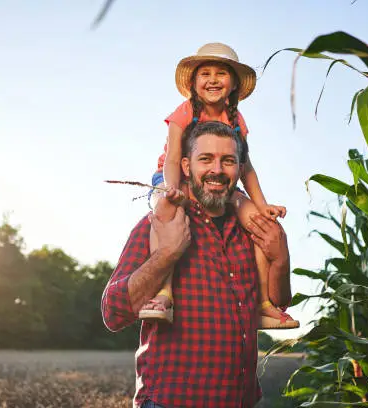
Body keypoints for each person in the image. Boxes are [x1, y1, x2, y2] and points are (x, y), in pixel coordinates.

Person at [101, 121, 293, 408]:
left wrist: (281, 259)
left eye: (227, 161)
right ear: (187, 167)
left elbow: (279, 303)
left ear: (240, 170)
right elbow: (113, 312)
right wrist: (166, 254)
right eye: (206, 159)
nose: (217, 169)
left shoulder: (252, 231)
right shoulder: (160, 225)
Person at [140, 42, 298, 329]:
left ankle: (263, 304)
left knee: (260, 223)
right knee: (166, 214)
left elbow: (246, 167)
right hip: (174, 175)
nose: (213, 80)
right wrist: (171, 190)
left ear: (234, 83)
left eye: (222, 73)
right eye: (206, 74)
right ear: (193, 82)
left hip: (222, 182)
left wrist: (264, 206)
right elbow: (174, 159)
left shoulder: (237, 120)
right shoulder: (184, 112)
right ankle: (164, 294)